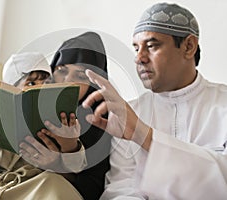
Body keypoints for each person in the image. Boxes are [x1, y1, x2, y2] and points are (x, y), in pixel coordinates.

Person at [0, 32, 111, 200]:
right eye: (61, 70)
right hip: (1, 183)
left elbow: (91, 190)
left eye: (80, 75)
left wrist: (59, 165)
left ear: (95, 83)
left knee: (52, 183)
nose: (66, 80)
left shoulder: (101, 123)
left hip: (40, 188)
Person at [82, 3, 227, 200]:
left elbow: (222, 182)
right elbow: (121, 189)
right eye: (136, 48)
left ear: (189, 46)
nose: (139, 58)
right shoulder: (131, 112)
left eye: (152, 46)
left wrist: (142, 134)